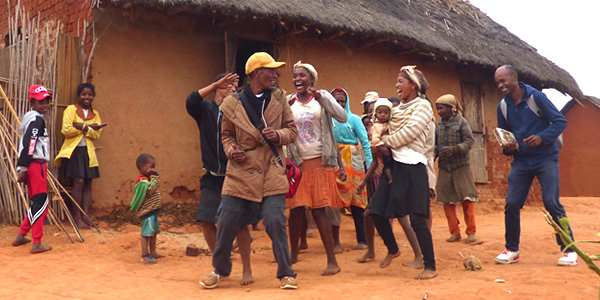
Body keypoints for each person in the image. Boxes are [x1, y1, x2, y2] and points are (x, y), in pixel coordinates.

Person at [200, 52, 298, 289]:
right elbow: (226, 135)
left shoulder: (279, 98)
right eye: (270, 71)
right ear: (257, 74)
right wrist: (232, 150)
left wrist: (279, 135)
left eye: (275, 71)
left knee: (275, 221)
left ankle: (286, 273)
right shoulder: (232, 103)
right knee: (226, 221)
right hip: (240, 172)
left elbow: (292, 131)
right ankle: (220, 270)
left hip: (272, 170)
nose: (275, 75)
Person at [494, 65, 577, 266]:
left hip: (545, 158)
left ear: (515, 77)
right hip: (521, 161)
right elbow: (505, 138)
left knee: (551, 202)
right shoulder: (502, 107)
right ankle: (512, 249)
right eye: (498, 82)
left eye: (504, 80)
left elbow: (559, 121)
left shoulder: (535, 97)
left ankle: (569, 250)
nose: (501, 85)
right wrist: (509, 147)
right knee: (512, 204)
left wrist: (541, 138)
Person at [367, 65, 437, 280]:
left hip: (414, 166)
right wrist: (377, 142)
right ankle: (393, 248)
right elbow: (379, 126)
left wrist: (384, 142)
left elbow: (409, 133)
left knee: (417, 218)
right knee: (374, 212)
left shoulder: (423, 107)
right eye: (397, 81)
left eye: (401, 81)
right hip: (395, 166)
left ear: (413, 85)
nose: (397, 85)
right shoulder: (395, 111)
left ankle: (430, 266)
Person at [186, 73, 254, 284]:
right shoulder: (206, 110)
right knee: (206, 221)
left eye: (235, 87)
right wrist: (215, 84)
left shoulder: (240, 112)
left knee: (240, 224)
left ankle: (247, 269)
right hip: (212, 177)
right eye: (227, 86)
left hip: (235, 176)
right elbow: (191, 100)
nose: (232, 90)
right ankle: (221, 266)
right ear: (217, 88)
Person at [286, 61, 347, 276]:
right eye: (295, 76)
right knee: (295, 210)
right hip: (296, 164)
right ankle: (292, 253)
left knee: (320, 210)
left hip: (320, 162)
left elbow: (343, 116)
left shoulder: (321, 99)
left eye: (302, 75)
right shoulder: (288, 102)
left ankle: (331, 260)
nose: (297, 79)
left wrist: (325, 99)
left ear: (312, 79)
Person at [55, 83, 106, 229]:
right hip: (74, 151)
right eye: (84, 94)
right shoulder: (71, 110)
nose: (87, 97)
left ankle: (85, 216)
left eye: (90, 95)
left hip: (88, 151)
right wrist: (88, 128)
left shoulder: (95, 114)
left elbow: (96, 134)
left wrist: (81, 126)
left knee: (88, 183)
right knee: (78, 182)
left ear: (93, 96)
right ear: (79, 96)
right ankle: (76, 217)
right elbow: (66, 130)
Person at [330, 88, 372, 251]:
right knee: (333, 200)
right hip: (333, 161)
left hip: (353, 163)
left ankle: (362, 240)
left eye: (342, 101)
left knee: (357, 200)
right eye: (336, 101)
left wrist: (369, 164)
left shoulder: (354, 119)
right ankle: (335, 243)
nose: (339, 104)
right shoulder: (327, 119)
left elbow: (365, 143)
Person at [12, 85, 53, 254]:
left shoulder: (31, 119)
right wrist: (23, 167)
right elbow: (31, 143)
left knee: (37, 202)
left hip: (32, 165)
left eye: (46, 101)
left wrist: (23, 166)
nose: (44, 104)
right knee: (42, 203)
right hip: (36, 166)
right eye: (40, 101)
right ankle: (37, 242)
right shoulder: (37, 120)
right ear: (32, 103)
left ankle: (22, 234)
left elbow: (29, 142)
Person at [434, 94, 478, 244]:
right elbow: (434, 145)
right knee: (447, 201)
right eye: (438, 108)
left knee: (467, 200)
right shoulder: (438, 126)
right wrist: (433, 154)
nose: (439, 111)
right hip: (445, 167)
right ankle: (454, 232)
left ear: (452, 108)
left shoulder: (462, 122)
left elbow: (469, 141)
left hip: (461, 167)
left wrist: (455, 149)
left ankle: (471, 232)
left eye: (442, 108)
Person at [130, 154, 164, 264]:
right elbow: (151, 190)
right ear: (142, 166)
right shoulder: (142, 182)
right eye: (151, 167)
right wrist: (156, 177)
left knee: (153, 233)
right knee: (146, 234)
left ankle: (153, 252)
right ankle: (145, 254)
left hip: (152, 211)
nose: (153, 169)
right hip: (147, 212)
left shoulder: (147, 179)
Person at [366, 98, 394, 183]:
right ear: (376, 114)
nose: (383, 115)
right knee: (387, 162)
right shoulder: (377, 126)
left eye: (386, 113)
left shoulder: (387, 124)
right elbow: (375, 138)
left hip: (384, 147)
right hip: (380, 147)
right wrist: (381, 147)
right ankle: (390, 178)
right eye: (380, 112)